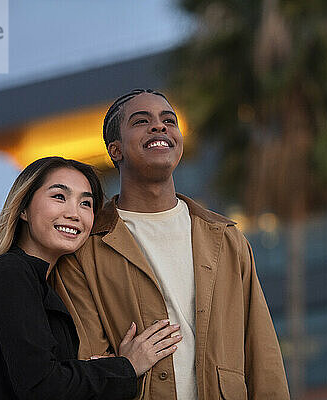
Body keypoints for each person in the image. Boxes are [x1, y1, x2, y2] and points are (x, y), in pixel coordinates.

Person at [55, 90, 290, 399]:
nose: (159, 126)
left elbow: (262, 355)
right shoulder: (85, 249)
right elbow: (89, 362)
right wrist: (124, 366)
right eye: (141, 121)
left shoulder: (226, 238)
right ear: (116, 150)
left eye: (169, 120)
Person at [0, 156, 182, 400]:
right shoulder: (10, 272)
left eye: (86, 203)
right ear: (23, 208)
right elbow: (42, 386)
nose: (74, 213)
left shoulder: (44, 282)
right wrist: (126, 366)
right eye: (59, 197)